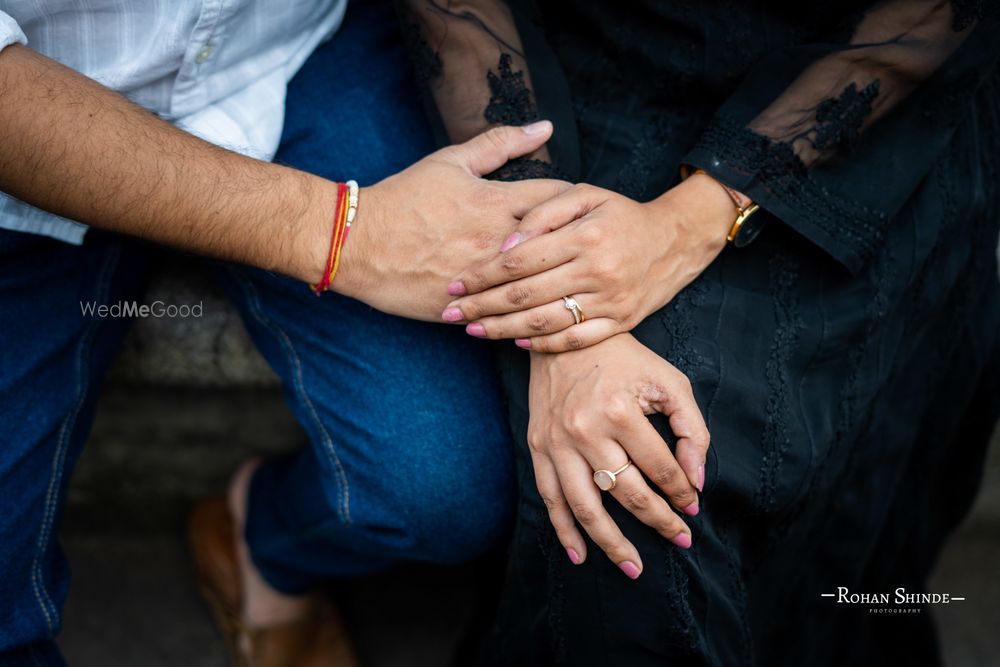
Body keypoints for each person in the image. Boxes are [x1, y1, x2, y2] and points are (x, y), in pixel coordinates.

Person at [0, 2, 693, 665]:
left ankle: (264, 539)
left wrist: (563, 307)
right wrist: (344, 234)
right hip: (25, 138)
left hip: (292, 55)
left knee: (443, 488)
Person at [398, 1, 1000, 665]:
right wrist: (563, 293)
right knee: (625, 473)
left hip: (869, 105)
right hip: (578, 99)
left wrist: (692, 220)